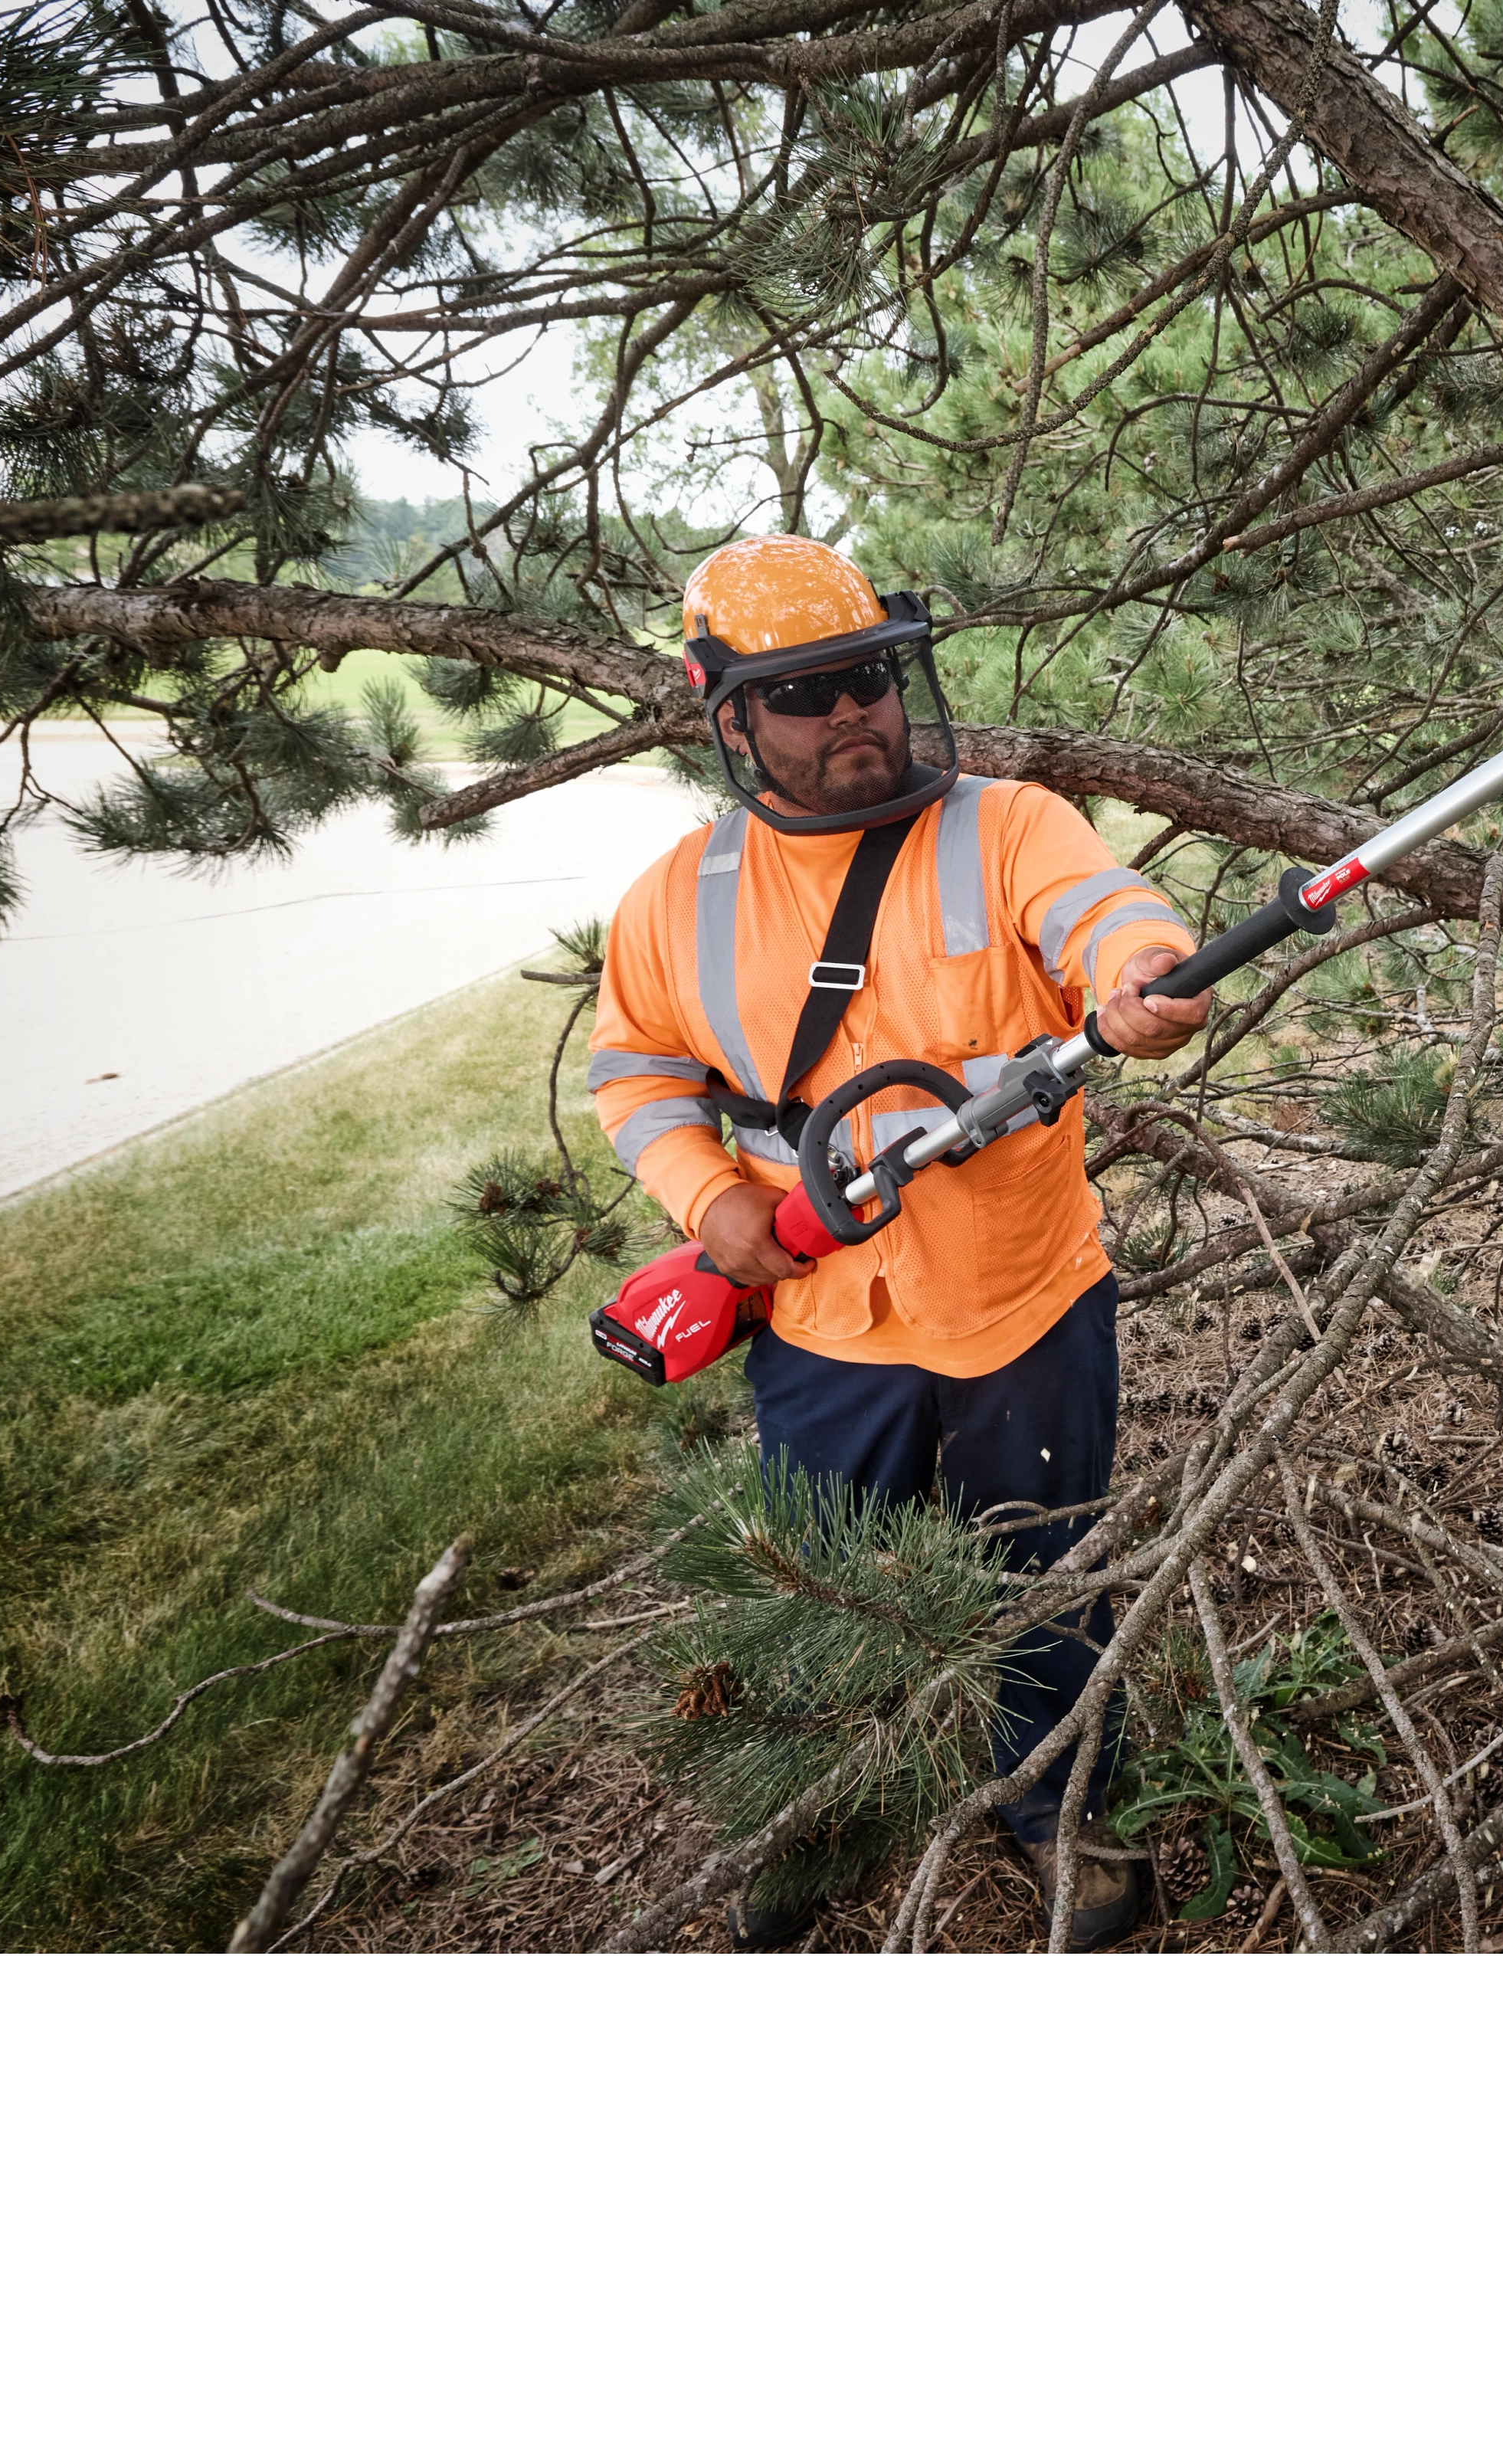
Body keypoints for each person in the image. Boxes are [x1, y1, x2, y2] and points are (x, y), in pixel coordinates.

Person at [591, 538, 1209, 1949]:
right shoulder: (676, 898)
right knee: (825, 1573)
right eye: (805, 694)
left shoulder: (1007, 826)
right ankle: (824, 1800)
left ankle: (1058, 1800)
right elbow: (633, 1073)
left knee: (1040, 1564)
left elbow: (1102, 910)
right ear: (729, 712)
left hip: (1021, 1299)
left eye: (868, 676)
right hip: (821, 1324)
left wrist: (1139, 976)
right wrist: (706, 1199)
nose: (853, 713)